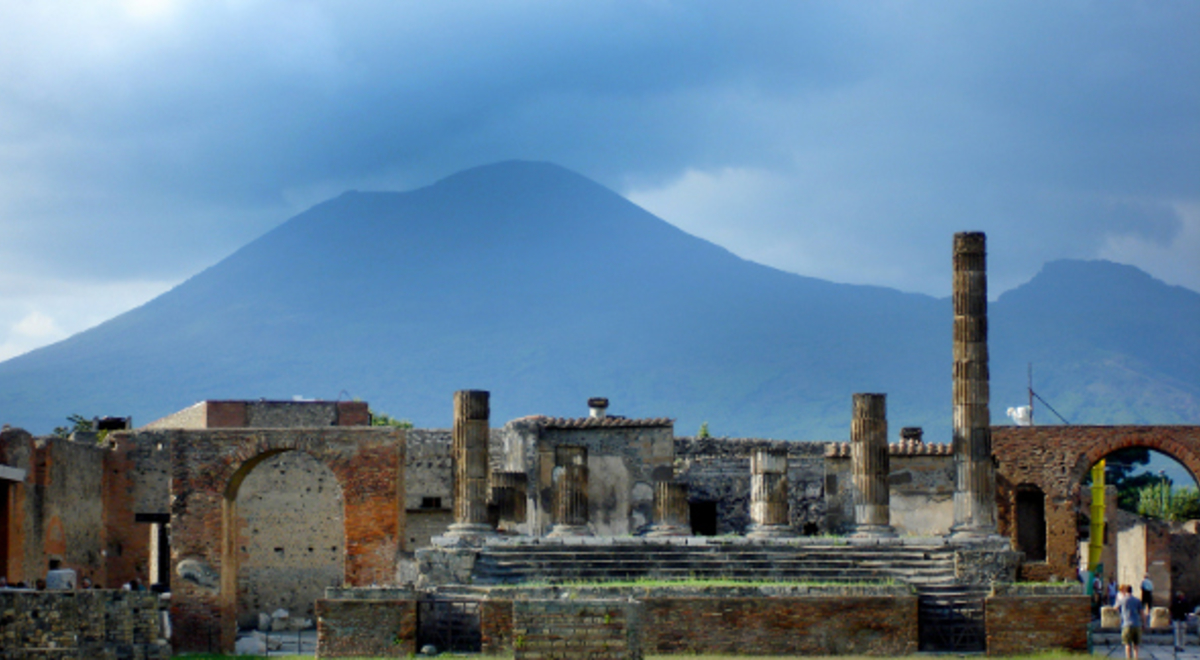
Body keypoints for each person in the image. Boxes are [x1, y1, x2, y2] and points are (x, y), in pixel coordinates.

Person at [1119, 584, 1144, 660]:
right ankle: (1136, 657)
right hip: (1136, 623)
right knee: (1136, 644)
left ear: (1125, 591)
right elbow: (1142, 613)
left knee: (1127, 644)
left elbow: (1115, 607)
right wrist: (1144, 623)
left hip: (1126, 624)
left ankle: (1128, 658)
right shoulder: (1137, 600)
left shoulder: (1123, 600)